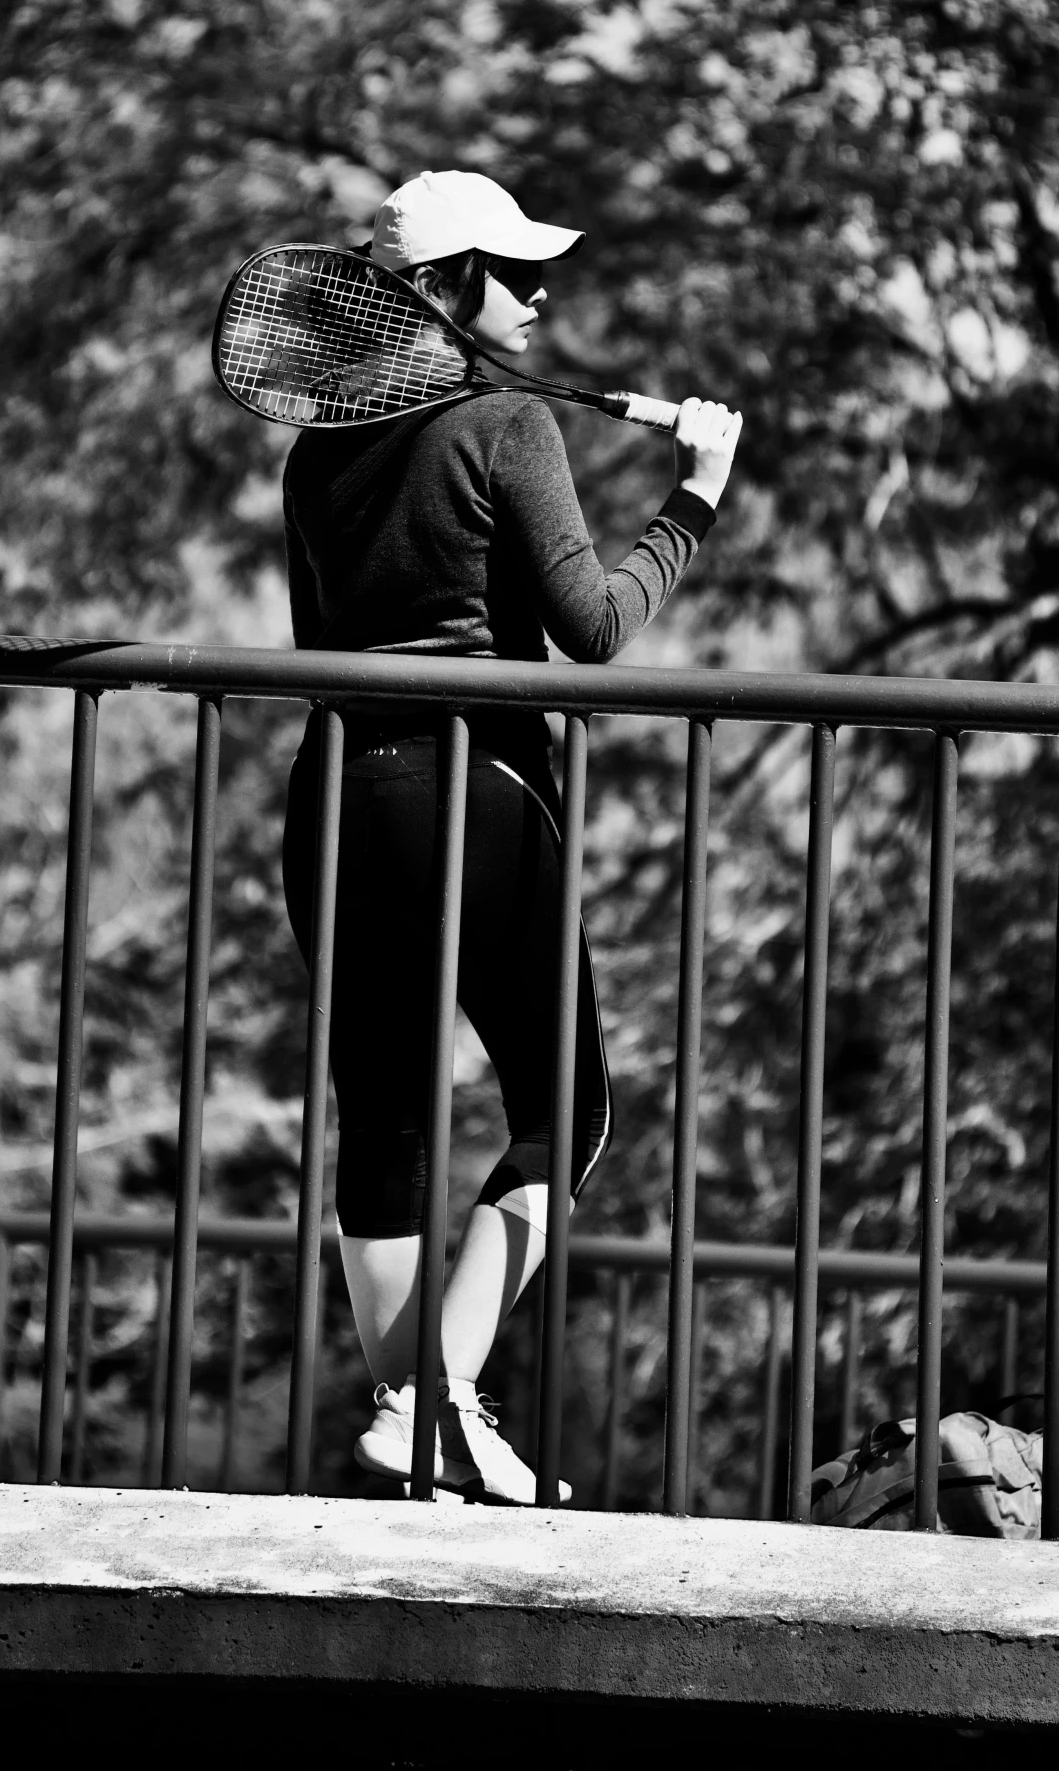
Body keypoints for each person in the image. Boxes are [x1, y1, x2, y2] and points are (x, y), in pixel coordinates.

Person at [280, 167, 742, 1503]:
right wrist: (695, 498)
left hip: (332, 798)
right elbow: (593, 628)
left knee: (383, 1116)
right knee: (567, 1108)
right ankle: (432, 1397)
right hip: (477, 797)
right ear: (439, 284)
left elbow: (333, 636)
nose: (538, 292)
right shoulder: (510, 424)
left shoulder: (315, 447)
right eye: (512, 268)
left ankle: (415, 1427)